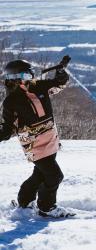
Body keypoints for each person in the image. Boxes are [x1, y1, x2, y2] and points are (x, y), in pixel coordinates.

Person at [0, 57, 71, 217]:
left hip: (51, 140)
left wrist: (60, 71)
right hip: (34, 146)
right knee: (54, 176)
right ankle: (47, 207)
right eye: (26, 76)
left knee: (39, 175)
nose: (31, 78)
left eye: (30, 74)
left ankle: (24, 202)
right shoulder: (11, 102)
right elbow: (7, 129)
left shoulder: (39, 87)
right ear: (14, 79)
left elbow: (59, 84)